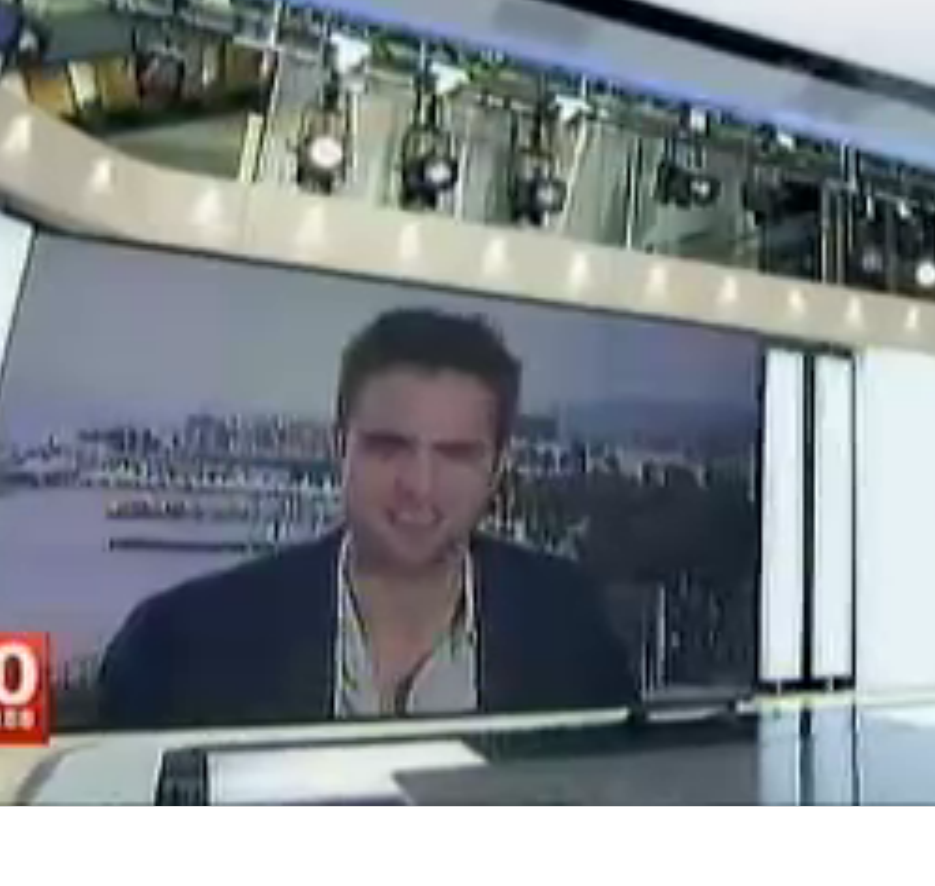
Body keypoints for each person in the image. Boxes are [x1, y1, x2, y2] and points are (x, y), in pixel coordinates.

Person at [96, 308, 637, 729]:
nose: (419, 485)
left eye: (455, 454)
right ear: (340, 447)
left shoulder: (572, 627)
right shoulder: (179, 642)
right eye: (388, 447)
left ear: (497, 469)